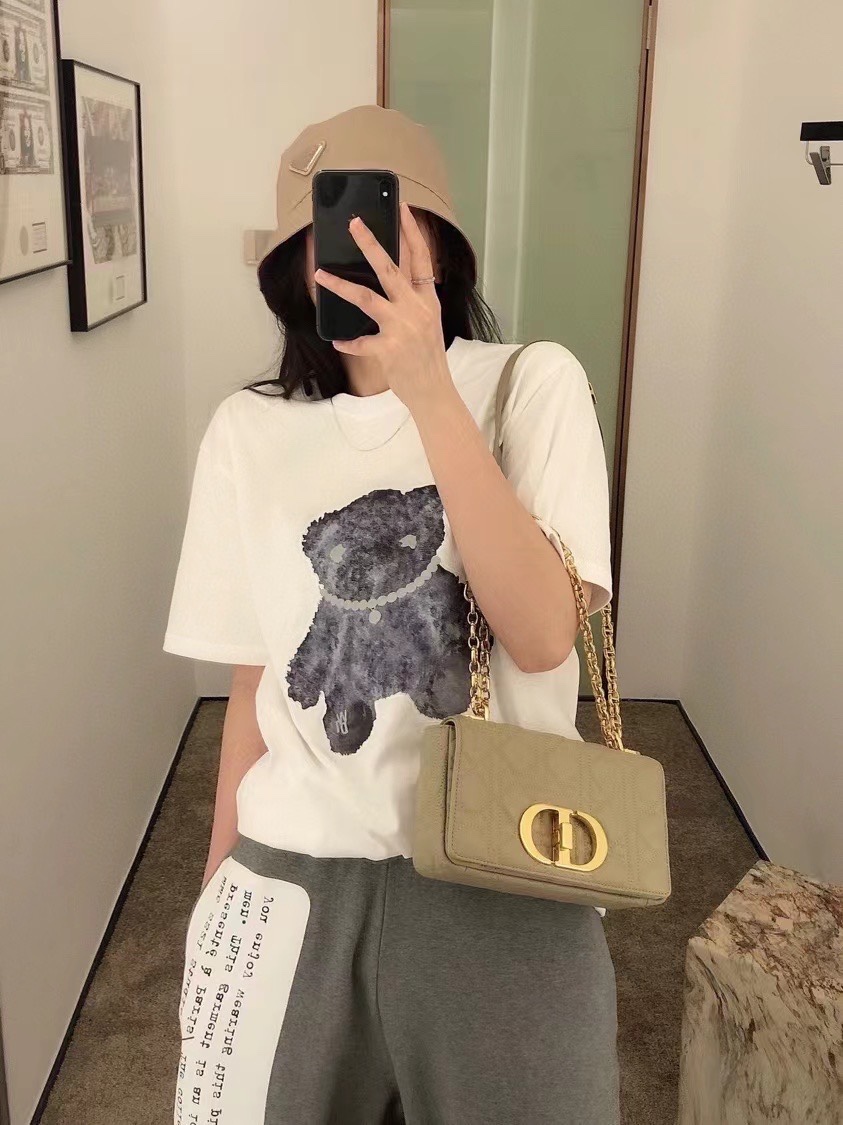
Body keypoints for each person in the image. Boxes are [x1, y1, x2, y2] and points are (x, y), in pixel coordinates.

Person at [163, 103, 620, 1125]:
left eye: (387, 223)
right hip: (292, 873)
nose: (360, 251)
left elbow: (544, 636)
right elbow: (254, 682)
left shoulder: (533, 385)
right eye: (333, 230)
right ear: (294, 265)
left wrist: (428, 389)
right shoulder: (247, 431)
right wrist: (211, 894)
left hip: (506, 862)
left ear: (440, 249)